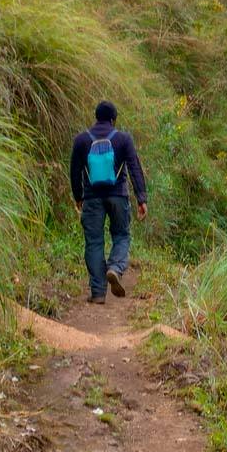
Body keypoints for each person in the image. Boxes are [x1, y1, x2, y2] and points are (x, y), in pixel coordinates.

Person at [69, 101, 148, 302]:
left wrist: (78, 197)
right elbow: (134, 168)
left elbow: (74, 171)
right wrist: (141, 198)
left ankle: (97, 293)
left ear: (96, 117)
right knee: (121, 235)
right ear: (113, 119)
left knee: (94, 242)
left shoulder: (82, 140)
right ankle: (114, 268)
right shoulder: (123, 139)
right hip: (118, 196)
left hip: (92, 198)